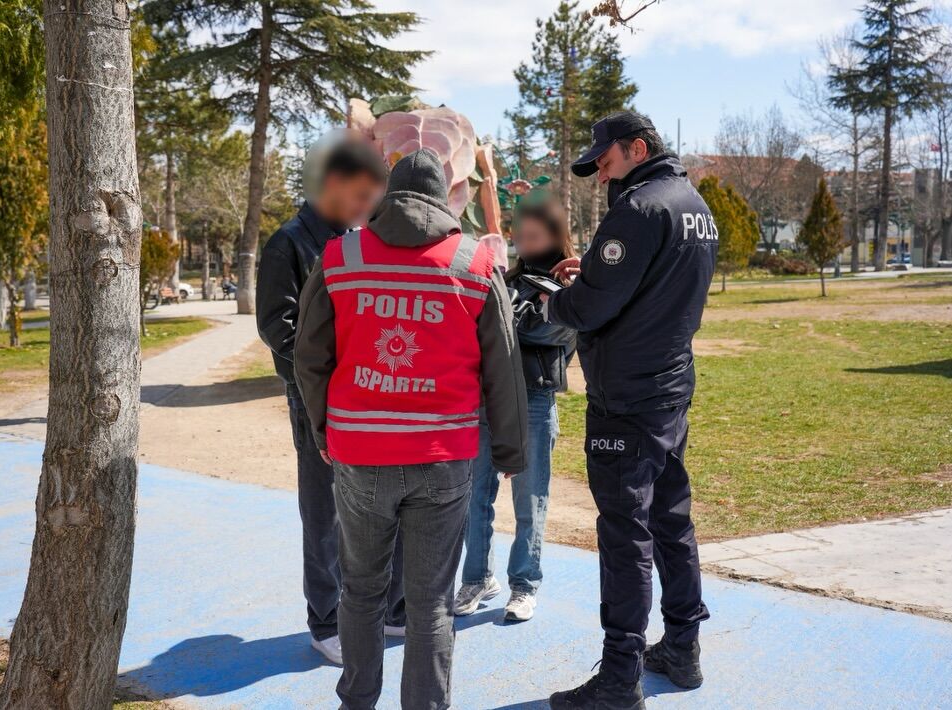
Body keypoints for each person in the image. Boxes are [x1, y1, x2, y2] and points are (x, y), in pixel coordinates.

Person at [293, 148, 528, 710]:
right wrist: (509, 451)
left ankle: (356, 700)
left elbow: (310, 355)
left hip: (360, 452)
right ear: (446, 196)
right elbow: (504, 369)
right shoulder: (474, 265)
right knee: (430, 603)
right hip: (442, 455)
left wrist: (325, 430)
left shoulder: (341, 257)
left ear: (387, 194)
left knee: (362, 591)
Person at [542, 111, 716, 710]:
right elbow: (645, 286)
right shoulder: (691, 202)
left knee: (625, 535)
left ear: (637, 148)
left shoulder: (639, 208)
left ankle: (620, 678)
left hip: (627, 400)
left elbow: (590, 309)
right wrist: (590, 272)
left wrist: (557, 302)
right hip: (668, 389)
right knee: (671, 520)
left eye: (606, 162)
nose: (599, 176)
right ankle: (684, 649)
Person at [255, 134, 407, 666]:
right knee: (325, 516)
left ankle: (388, 610)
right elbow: (279, 328)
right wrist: (341, 357)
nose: (368, 208)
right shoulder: (289, 244)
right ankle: (325, 622)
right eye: (363, 195)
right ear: (336, 184)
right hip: (317, 402)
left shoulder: (354, 241)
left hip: (363, 397)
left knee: (374, 509)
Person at [454, 199, 577, 623]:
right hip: (487, 401)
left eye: (533, 236)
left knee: (530, 502)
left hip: (535, 402)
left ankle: (524, 586)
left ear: (555, 236)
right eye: (519, 235)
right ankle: (476, 578)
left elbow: (550, 330)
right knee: (475, 497)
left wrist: (505, 324)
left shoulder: (571, 286)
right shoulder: (504, 281)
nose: (523, 243)